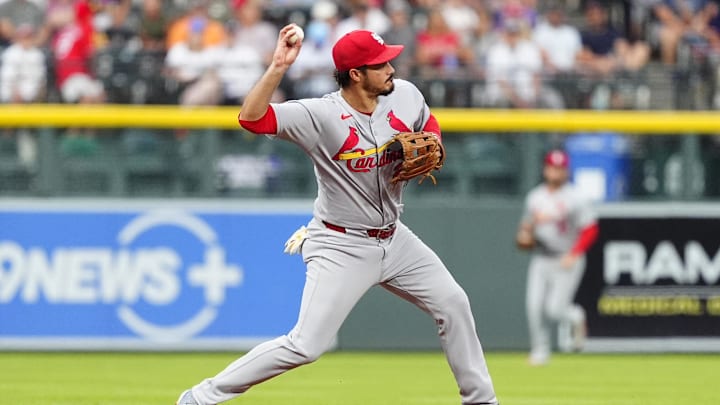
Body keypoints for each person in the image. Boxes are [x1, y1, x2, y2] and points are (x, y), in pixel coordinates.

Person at [175, 27, 500, 405]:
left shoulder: (405, 94)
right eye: (381, 64)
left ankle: (480, 400)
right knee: (305, 346)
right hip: (340, 244)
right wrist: (278, 66)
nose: (391, 68)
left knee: (453, 303)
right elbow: (252, 119)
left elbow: (427, 123)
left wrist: (435, 142)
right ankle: (201, 396)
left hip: (395, 239)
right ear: (356, 74)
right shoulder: (320, 114)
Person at [515, 149, 599, 367]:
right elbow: (526, 228)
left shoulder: (576, 197)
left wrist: (575, 253)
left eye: (560, 168)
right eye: (553, 167)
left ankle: (576, 316)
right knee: (533, 306)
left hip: (566, 257)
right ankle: (539, 351)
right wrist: (525, 234)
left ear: (566, 171)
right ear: (545, 169)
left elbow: (590, 229)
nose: (556, 172)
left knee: (555, 310)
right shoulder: (535, 197)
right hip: (542, 256)